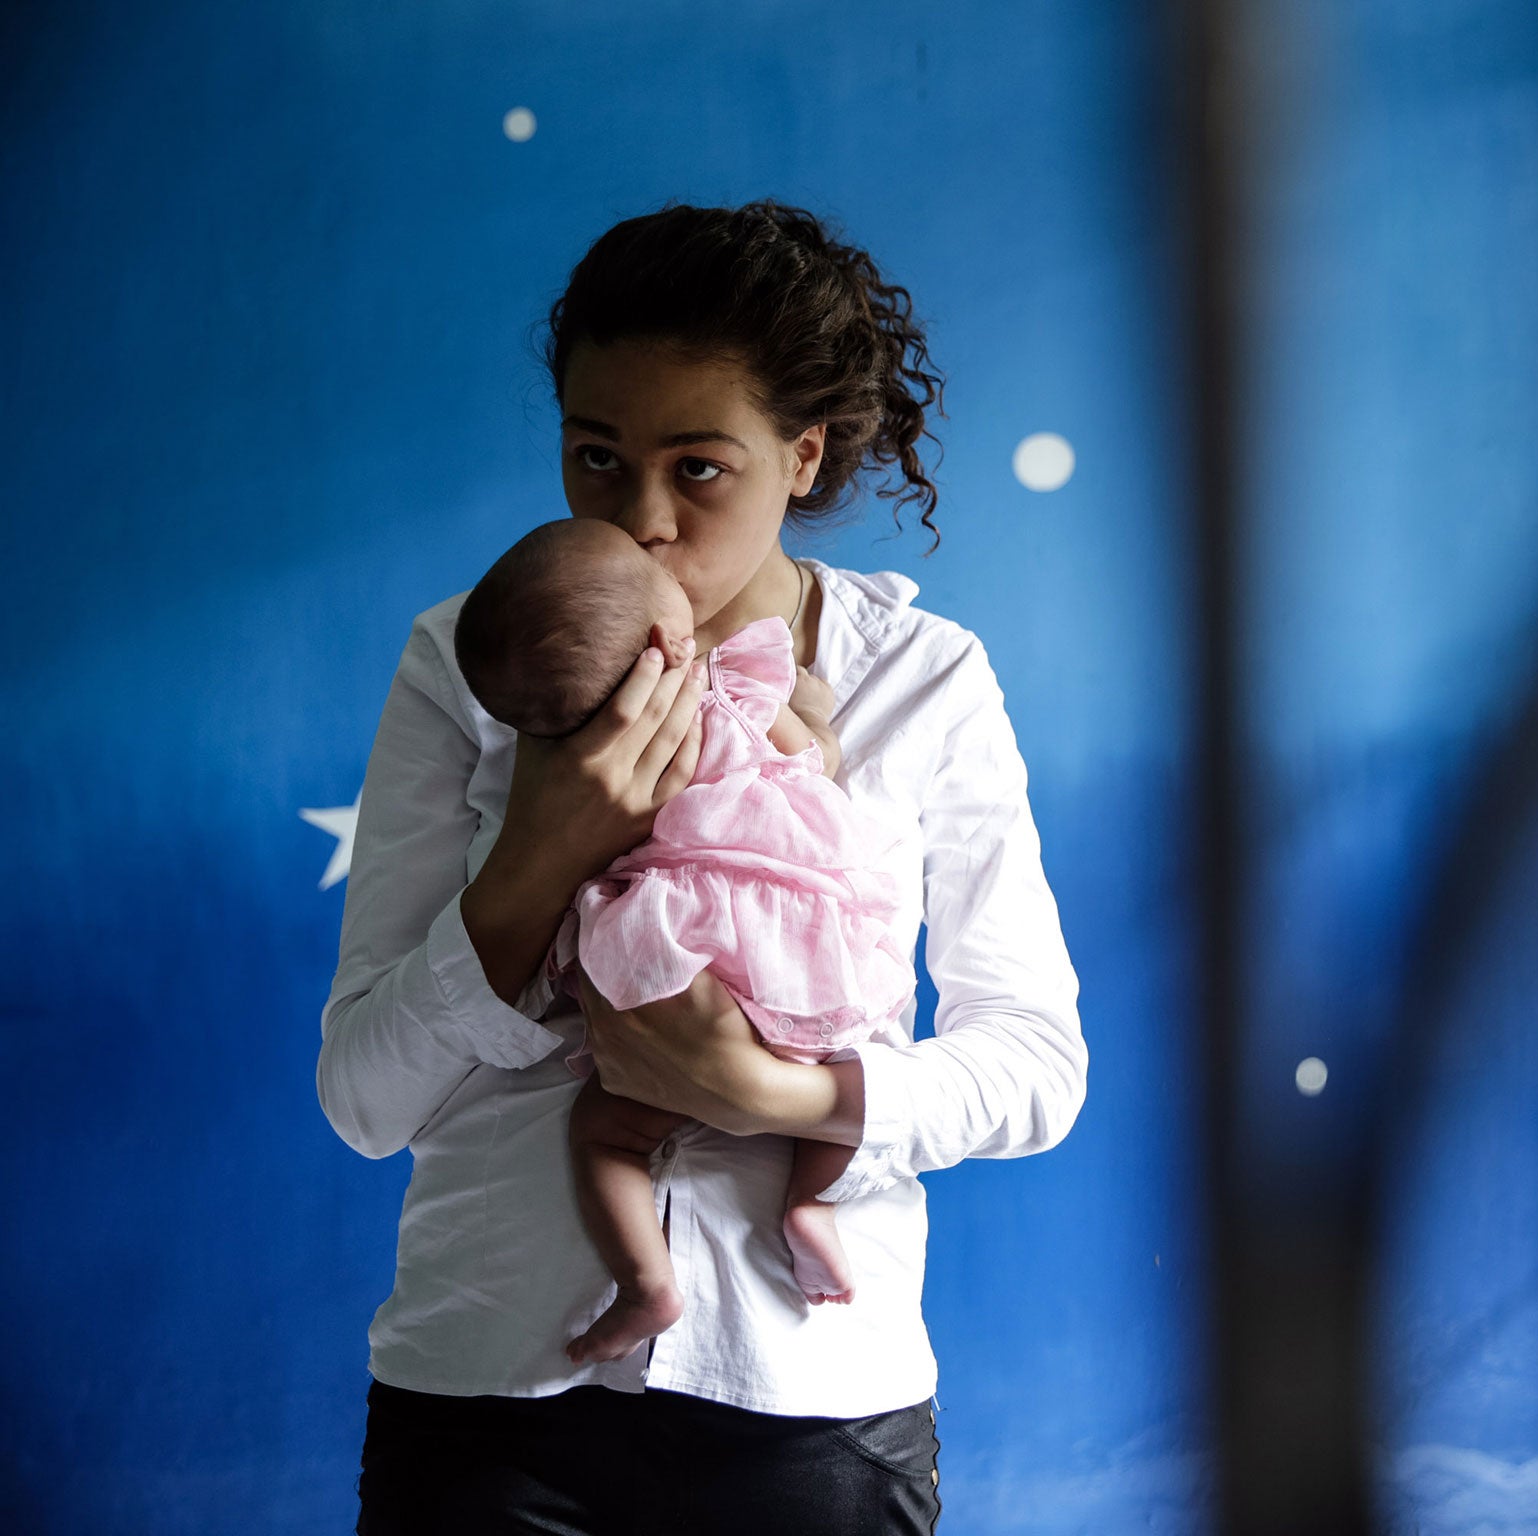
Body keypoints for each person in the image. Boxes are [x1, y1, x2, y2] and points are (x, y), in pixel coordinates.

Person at [317, 200, 1087, 1534]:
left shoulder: (922, 680)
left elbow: (1034, 1065)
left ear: (804, 455)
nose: (645, 518)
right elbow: (363, 1102)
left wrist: (775, 1090)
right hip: (487, 1400)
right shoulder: (470, 662)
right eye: (597, 457)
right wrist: (545, 850)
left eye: (700, 467)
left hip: (813, 1405)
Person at [451, 516, 918, 1358]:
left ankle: (647, 1283)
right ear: (671, 635)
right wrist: (812, 723)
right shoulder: (731, 684)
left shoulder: (581, 756)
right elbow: (810, 759)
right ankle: (811, 1203)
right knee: (849, 1078)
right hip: (793, 947)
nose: (654, 531)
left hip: (677, 948)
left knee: (606, 1130)